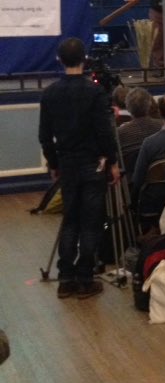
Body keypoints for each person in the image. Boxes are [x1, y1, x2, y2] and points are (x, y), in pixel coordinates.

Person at [38, 37, 120, 299]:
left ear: (59, 60)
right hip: (92, 164)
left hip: (67, 164)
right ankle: (86, 278)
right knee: (90, 222)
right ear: (84, 59)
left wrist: (54, 163)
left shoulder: (50, 93)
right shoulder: (95, 93)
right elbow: (104, 132)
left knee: (70, 219)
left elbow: (44, 136)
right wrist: (112, 161)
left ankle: (65, 278)